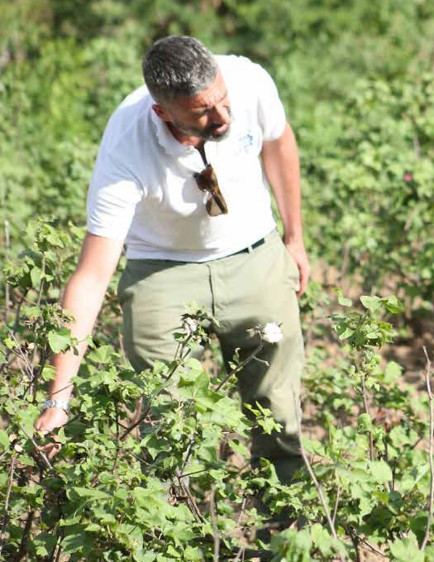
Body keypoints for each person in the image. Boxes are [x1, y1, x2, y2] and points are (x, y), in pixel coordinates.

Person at [34, 35, 308, 487]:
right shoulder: (126, 143)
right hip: (161, 271)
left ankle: (283, 537)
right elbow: (90, 277)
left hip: (254, 255)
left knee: (278, 411)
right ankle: (189, 534)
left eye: (222, 101)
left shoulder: (249, 80)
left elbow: (278, 144)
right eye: (202, 112)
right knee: (174, 423)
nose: (221, 117)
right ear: (162, 111)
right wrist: (57, 401)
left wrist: (295, 239)